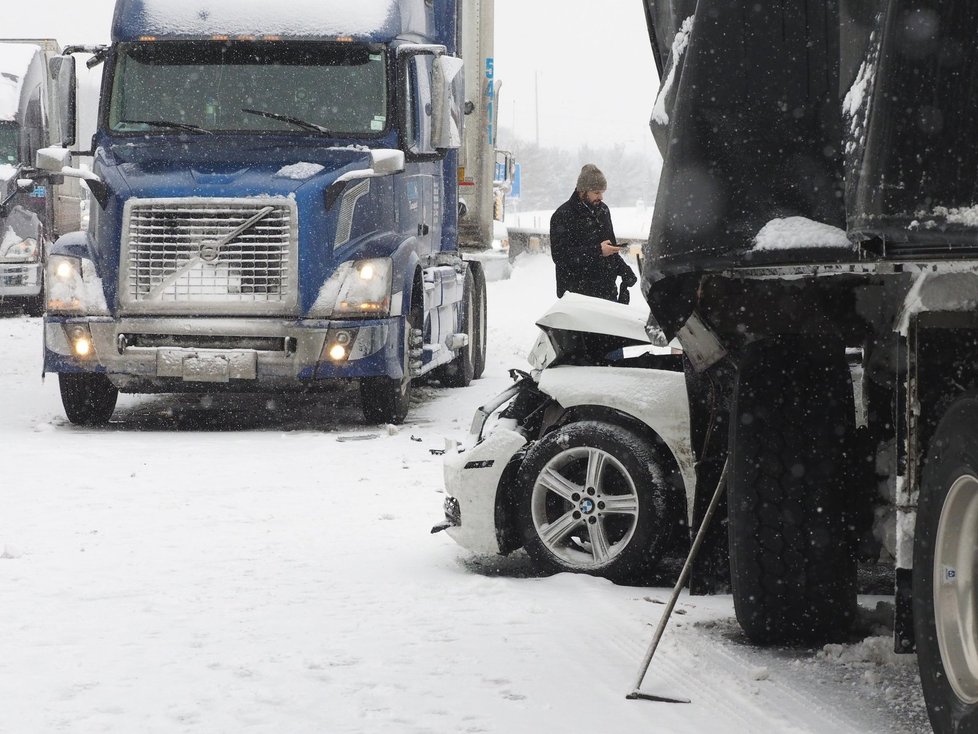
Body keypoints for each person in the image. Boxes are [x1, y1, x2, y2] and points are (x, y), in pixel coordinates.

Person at [549, 164, 637, 303]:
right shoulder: (563, 215)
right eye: (596, 192)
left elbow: (610, 249)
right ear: (583, 191)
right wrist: (597, 251)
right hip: (577, 296)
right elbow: (560, 256)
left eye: (602, 192)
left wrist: (623, 269)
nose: (601, 197)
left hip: (607, 292)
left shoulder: (603, 211)